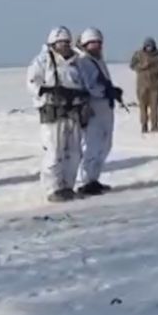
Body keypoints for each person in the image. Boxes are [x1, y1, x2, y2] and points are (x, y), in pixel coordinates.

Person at [27, 26, 90, 201]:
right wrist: (49, 92)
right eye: (60, 42)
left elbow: (86, 83)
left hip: (74, 112)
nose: (63, 45)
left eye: (66, 42)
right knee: (54, 152)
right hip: (53, 113)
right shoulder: (43, 61)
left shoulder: (77, 62)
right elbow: (33, 82)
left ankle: (67, 186)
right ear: (52, 43)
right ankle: (52, 188)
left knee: (74, 152)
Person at [75, 27, 123, 196]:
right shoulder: (84, 62)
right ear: (85, 44)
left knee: (105, 144)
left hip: (105, 107)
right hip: (93, 107)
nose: (96, 46)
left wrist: (112, 91)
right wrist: (105, 92)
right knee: (92, 145)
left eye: (98, 43)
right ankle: (86, 180)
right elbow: (89, 86)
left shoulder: (98, 61)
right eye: (92, 43)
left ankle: (94, 179)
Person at [128, 37, 158, 133]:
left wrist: (154, 68)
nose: (149, 48)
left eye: (151, 46)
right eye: (147, 46)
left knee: (154, 106)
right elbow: (132, 65)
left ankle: (154, 125)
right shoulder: (138, 54)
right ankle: (144, 125)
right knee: (143, 106)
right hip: (142, 85)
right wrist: (142, 66)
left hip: (155, 85)